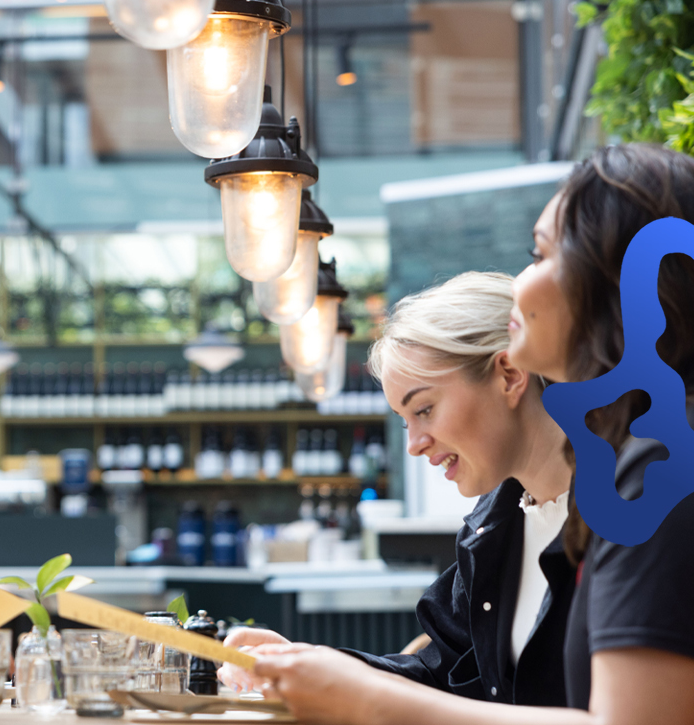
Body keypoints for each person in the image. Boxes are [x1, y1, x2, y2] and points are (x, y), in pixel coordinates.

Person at [244, 143, 694, 725]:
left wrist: (366, 698)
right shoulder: (516, 516)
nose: (521, 282)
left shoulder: (661, 463)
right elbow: (450, 676)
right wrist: (308, 668)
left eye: (541, 254)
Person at [224, 271, 574, 707]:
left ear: (509, 374)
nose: (413, 445)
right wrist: (308, 662)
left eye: (424, 409)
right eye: (405, 421)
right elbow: (440, 676)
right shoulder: (492, 530)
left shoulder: (630, 520)